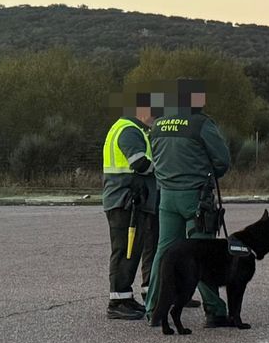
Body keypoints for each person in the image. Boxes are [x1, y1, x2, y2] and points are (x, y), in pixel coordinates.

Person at [144, 80, 235, 327]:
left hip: (167, 196)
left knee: (164, 252)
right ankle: (215, 311)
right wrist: (207, 175)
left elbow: (156, 156)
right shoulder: (201, 123)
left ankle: (154, 309)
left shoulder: (159, 124)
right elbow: (222, 160)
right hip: (196, 196)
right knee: (203, 253)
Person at [101, 92, 158, 320]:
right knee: (124, 250)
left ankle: (125, 297)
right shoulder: (129, 130)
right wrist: (163, 167)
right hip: (124, 201)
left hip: (128, 201)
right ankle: (117, 301)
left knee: (131, 251)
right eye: (154, 113)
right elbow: (140, 163)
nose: (155, 118)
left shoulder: (130, 129)